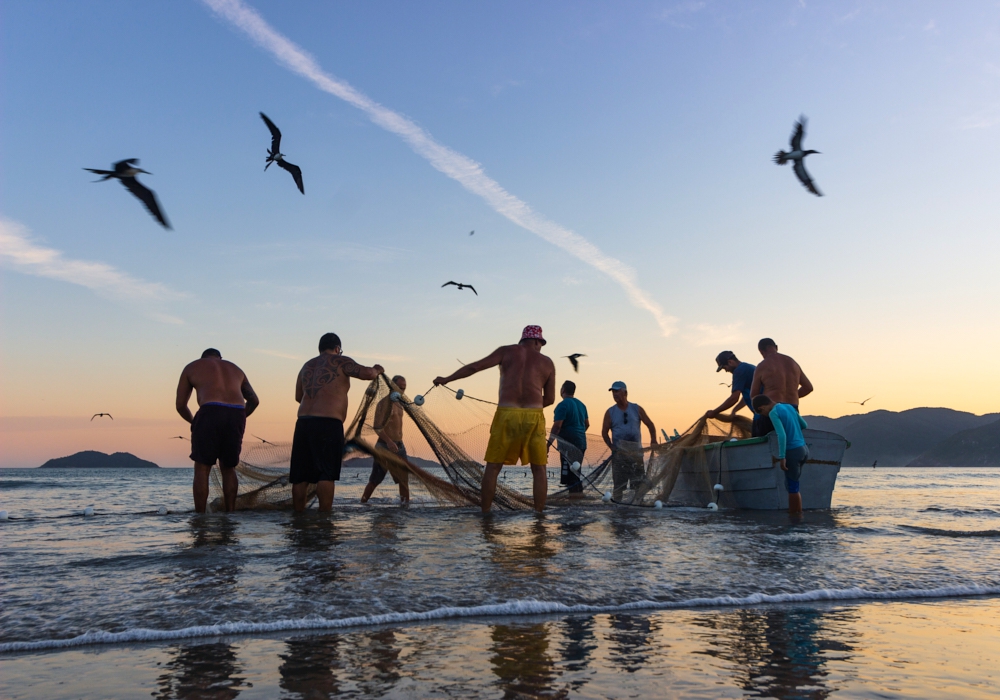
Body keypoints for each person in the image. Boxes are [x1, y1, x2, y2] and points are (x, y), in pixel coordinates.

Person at [433, 325, 556, 513]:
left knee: (493, 467)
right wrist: (532, 406)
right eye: (541, 344)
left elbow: (475, 367)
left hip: (507, 413)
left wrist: (447, 379)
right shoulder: (547, 362)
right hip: (534, 416)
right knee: (539, 469)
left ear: (522, 339)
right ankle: (539, 516)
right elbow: (550, 399)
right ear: (537, 341)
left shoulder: (506, 351)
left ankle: (486, 514)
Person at [292, 333, 384, 512]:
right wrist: (378, 369)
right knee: (326, 474)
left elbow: (298, 397)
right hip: (328, 423)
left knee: (300, 476)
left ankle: (298, 519)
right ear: (337, 349)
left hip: (303, 423)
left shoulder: (306, 366)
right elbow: (368, 374)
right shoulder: (340, 361)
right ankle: (325, 522)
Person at [175, 348, 259, 513]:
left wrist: (194, 421)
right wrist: (239, 418)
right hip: (236, 413)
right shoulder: (235, 368)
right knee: (228, 468)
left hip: (210, 411)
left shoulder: (192, 367)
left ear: (203, 358)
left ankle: (200, 517)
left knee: (202, 468)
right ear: (220, 358)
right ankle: (230, 513)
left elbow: (180, 406)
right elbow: (254, 401)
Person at [751, 394, 809, 515]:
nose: (764, 416)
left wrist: (782, 457)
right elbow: (804, 425)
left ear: (761, 408)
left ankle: (794, 518)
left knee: (792, 487)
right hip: (804, 449)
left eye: (762, 414)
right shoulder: (788, 407)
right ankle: (798, 514)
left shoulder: (773, 413)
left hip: (792, 451)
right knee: (794, 485)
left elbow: (781, 435)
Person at [601, 381, 657, 501]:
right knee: (618, 487)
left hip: (636, 455)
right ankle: (618, 511)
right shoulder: (610, 412)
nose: (615, 394)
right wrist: (611, 447)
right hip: (619, 456)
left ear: (625, 392)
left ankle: (636, 513)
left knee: (638, 486)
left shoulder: (636, 409)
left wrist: (653, 440)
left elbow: (651, 425)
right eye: (613, 392)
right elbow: (604, 433)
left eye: (617, 391)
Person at [361, 375, 411, 504]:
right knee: (375, 480)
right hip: (384, 446)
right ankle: (362, 504)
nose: (402, 391)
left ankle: (405, 508)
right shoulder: (383, 404)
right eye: (399, 388)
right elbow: (377, 427)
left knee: (404, 481)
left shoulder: (401, 403)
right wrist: (389, 441)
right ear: (391, 386)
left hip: (399, 447)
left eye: (404, 388)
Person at [749, 338, 813, 437]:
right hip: (792, 409)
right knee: (791, 442)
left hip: (771, 410)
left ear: (761, 352)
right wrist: (793, 395)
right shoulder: (793, 363)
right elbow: (808, 387)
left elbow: (754, 395)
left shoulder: (762, 366)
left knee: (769, 445)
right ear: (776, 347)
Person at [548, 380, 589, 497]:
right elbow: (587, 424)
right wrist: (578, 433)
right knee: (575, 473)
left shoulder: (562, 405)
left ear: (563, 390)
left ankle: (574, 505)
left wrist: (547, 445)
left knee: (570, 476)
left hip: (568, 446)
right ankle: (577, 500)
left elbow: (556, 427)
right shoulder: (582, 405)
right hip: (581, 444)